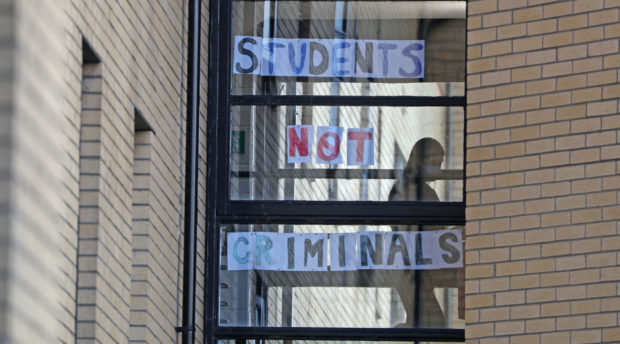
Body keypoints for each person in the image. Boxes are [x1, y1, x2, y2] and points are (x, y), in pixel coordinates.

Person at [389, 138, 456, 328]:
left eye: (440, 164)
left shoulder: (407, 188)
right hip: (411, 267)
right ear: (419, 161)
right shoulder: (413, 190)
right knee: (432, 323)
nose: (438, 169)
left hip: (412, 265)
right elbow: (434, 231)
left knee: (423, 321)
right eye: (434, 163)